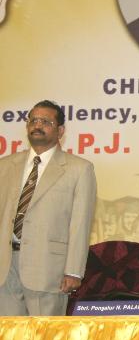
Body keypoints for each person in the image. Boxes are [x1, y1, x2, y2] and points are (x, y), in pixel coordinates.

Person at [0, 101, 97, 315]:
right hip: (5, 268)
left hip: (48, 270)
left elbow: (80, 224)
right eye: (33, 120)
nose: (37, 125)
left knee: (44, 335)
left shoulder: (79, 169)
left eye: (45, 122)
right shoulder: (5, 165)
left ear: (60, 131)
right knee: (7, 335)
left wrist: (74, 271)